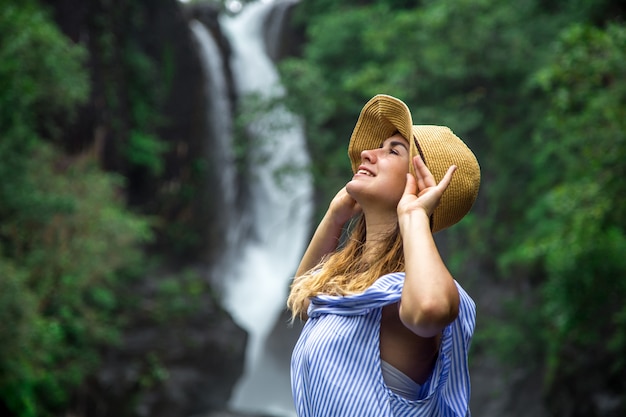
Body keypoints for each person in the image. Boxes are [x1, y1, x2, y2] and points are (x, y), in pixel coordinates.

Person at [287, 94, 481, 416]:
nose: (367, 152)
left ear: (419, 185)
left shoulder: (412, 290)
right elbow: (304, 300)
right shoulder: (352, 285)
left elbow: (430, 309)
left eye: (393, 150)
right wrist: (335, 216)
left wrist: (414, 214)